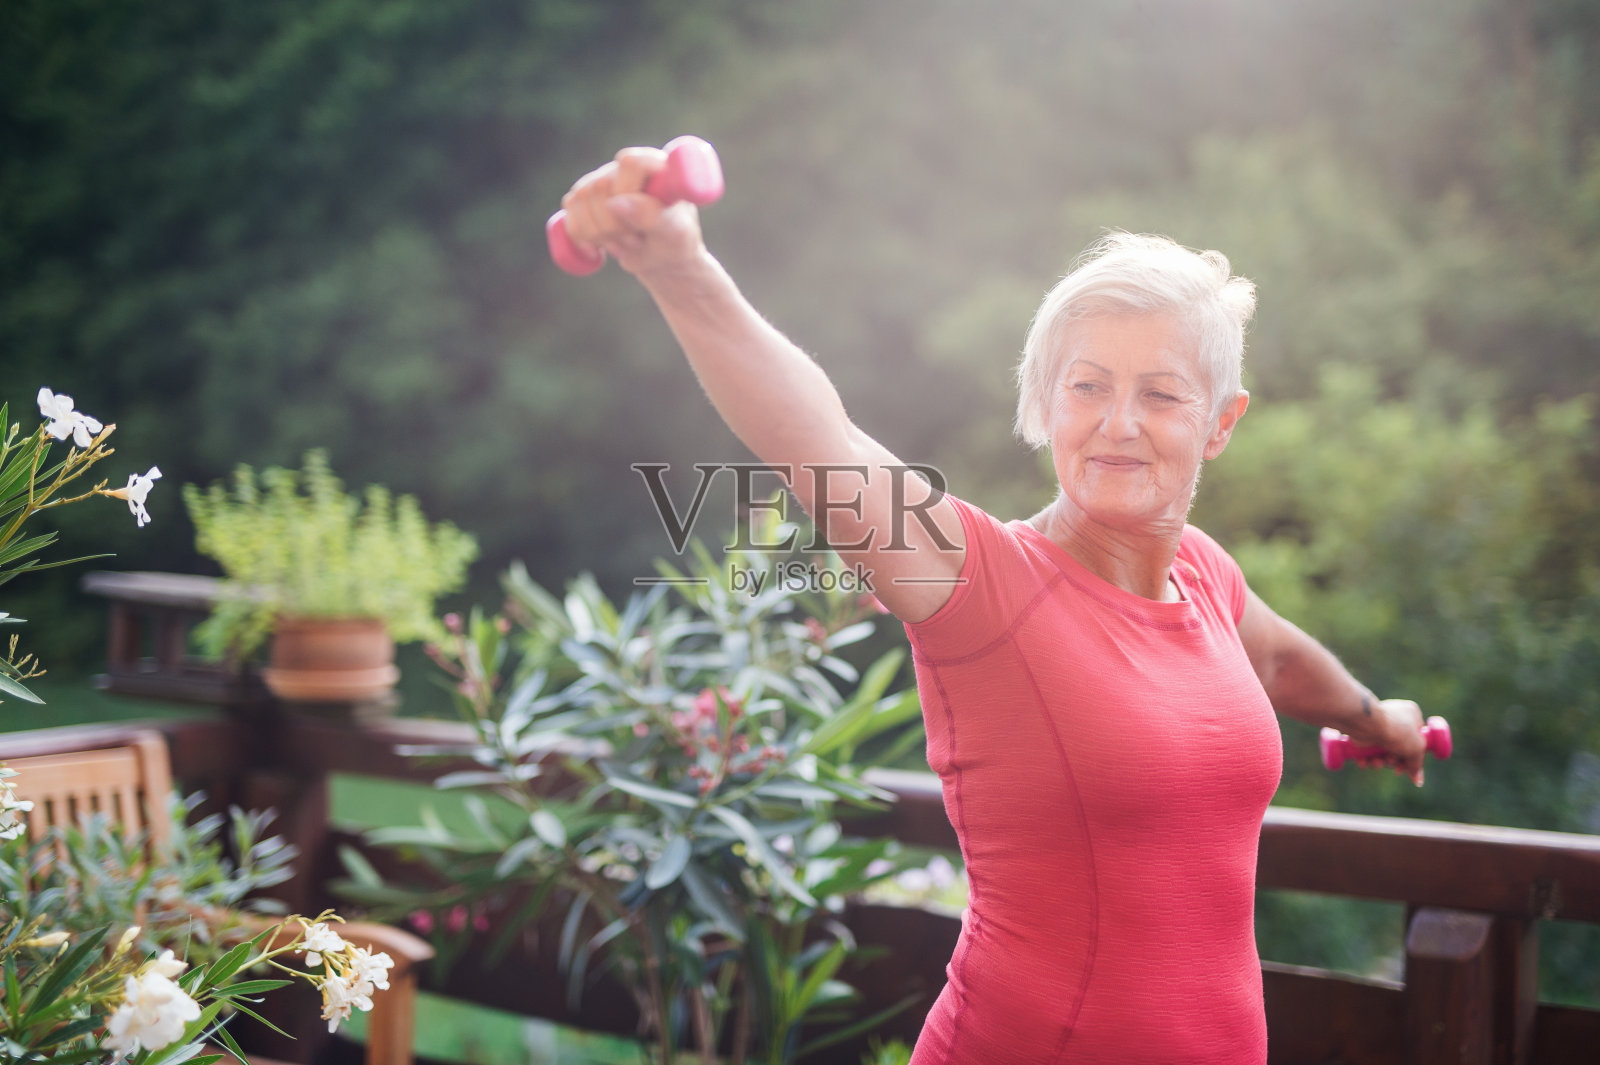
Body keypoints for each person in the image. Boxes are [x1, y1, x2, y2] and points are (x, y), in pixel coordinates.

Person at [558, 146, 1429, 1064]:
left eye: (1161, 394)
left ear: (1220, 421)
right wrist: (679, 269)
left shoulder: (1205, 577)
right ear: (1046, 404)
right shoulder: (983, 583)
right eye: (1087, 385)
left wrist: (1379, 718)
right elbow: (815, 436)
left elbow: (1281, 659)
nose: (1118, 421)